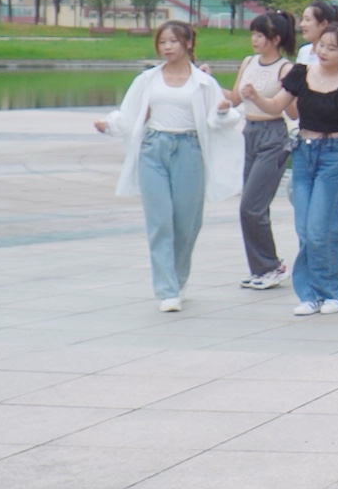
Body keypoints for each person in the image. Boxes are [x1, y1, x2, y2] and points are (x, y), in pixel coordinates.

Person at [96, 21, 243, 312]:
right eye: (162, 42)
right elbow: (130, 114)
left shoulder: (202, 83)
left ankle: (179, 277)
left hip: (189, 150)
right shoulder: (148, 80)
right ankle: (167, 289)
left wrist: (224, 111)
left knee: (186, 222)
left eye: (173, 41)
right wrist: (110, 126)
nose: (167, 47)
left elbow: (218, 119)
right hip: (154, 150)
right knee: (159, 220)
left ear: (188, 43)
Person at [245, 21, 338, 316]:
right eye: (321, 45)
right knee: (303, 228)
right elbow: (277, 106)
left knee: (320, 229)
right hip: (303, 153)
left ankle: (330, 292)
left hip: (334, 156)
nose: (323, 51)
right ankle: (309, 294)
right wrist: (254, 97)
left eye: (332, 48)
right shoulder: (301, 74)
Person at [228, 10, 296, 290]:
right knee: (256, 206)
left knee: (251, 207)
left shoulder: (285, 69)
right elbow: (233, 99)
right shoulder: (248, 62)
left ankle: (270, 266)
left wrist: (259, 96)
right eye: (253, 34)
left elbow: (288, 108)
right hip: (249, 133)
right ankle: (262, 268)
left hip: (273, 136)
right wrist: (203, 82)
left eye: (260, 35)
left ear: (275, 39)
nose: (254, 40)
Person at [295, 0, 338, 67]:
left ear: (323, 24)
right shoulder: (303, 51)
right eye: (302, 19)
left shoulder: (332, 55)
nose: (302, 24)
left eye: (307, 20)